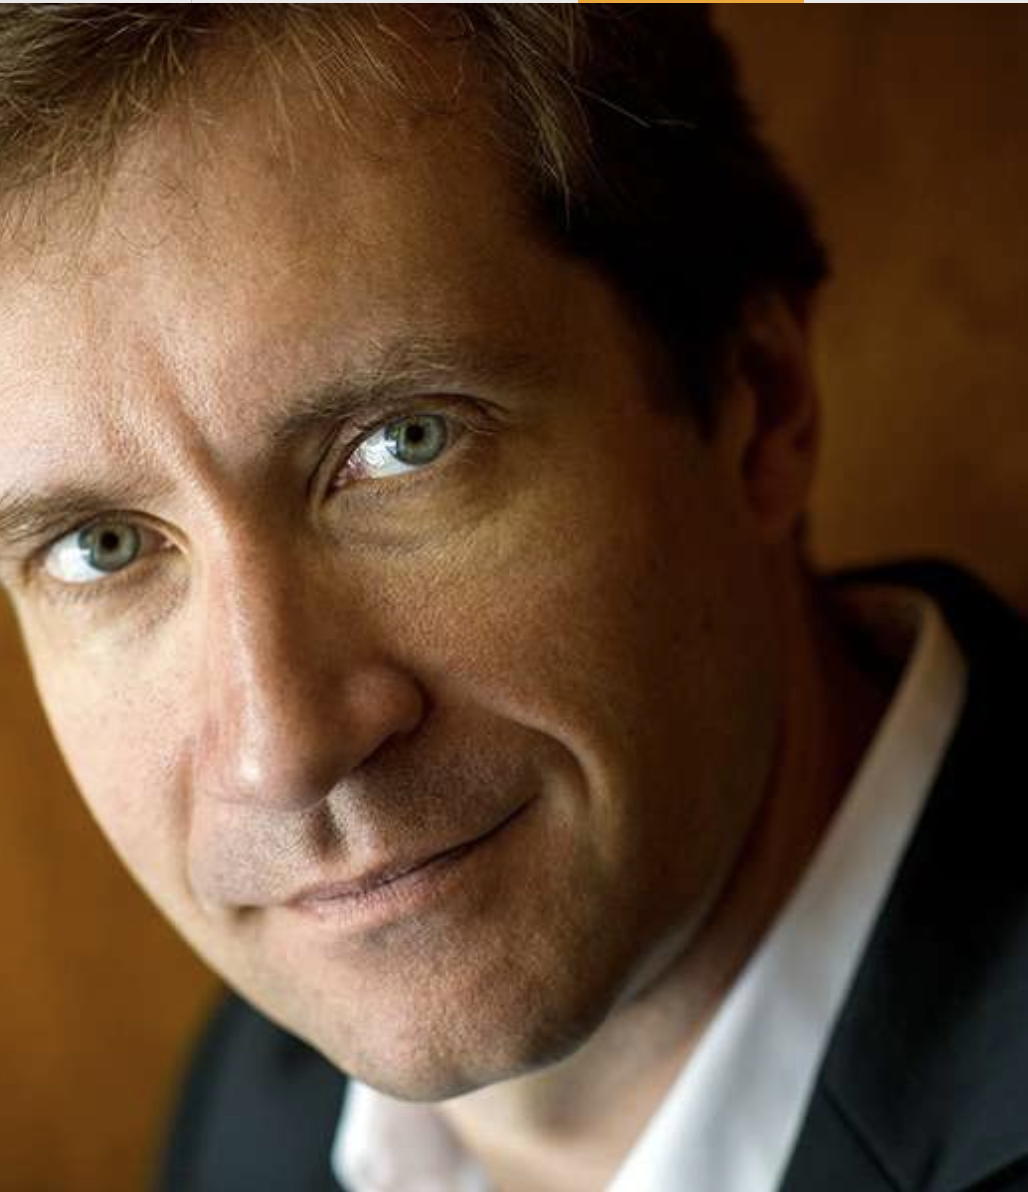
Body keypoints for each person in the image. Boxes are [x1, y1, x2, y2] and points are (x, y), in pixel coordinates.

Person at [0, 5, 1026, 1190]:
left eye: (405, 443)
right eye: (101, 546)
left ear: (757, 405)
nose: (282, 752)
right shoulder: (254, 1099)